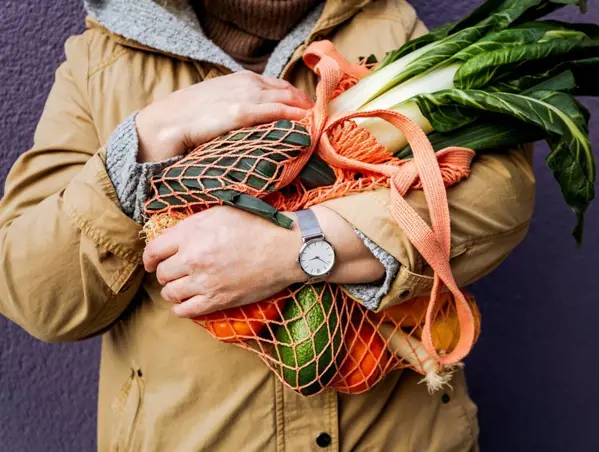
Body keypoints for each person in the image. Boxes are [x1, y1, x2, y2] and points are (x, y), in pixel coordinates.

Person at [0, 0, 535, 450]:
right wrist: (144, 140)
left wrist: (301, 244)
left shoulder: (387, 26)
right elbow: (36, 296)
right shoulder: (101, 61)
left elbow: (499, 195)